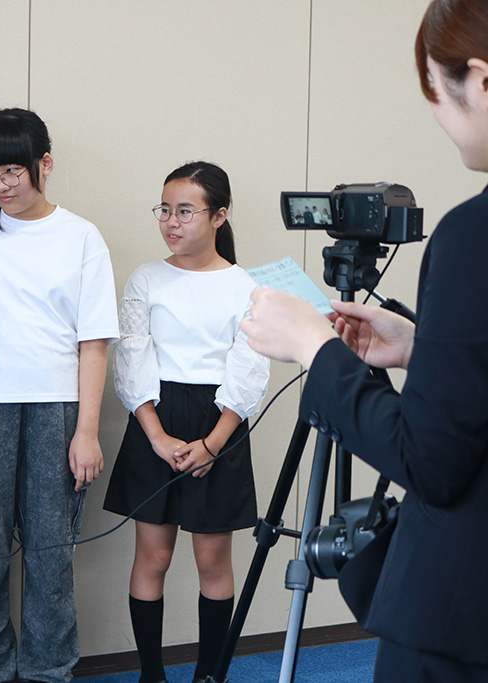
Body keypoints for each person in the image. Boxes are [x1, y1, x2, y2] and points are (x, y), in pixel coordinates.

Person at [241, 1, 488, 679]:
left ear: (480, 79)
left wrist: (314, 349)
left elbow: (431, 463)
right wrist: (423, 346)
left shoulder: (473, 236)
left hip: (461, 620)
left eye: (434, 91)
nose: (436, 114)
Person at [0, 108, 119, 683]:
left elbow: (94, 344)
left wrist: (86, 431)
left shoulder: (81, 236)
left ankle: (49, 670)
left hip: (58, 411)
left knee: (51, 555)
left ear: (45, 163)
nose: (0, 186)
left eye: (12, 172)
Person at [102, 162, 269, 683]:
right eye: (165, 210)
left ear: (219, 216)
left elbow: (249, 369)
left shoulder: (247, 287)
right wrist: (156, 437)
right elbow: (133, 356)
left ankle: (208, 676)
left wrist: (214, 444)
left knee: (213, 562)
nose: (172, 222)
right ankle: (151, 675)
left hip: (220, 422)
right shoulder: (146, 278)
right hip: (154, 417)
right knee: (152, 557)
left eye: (186, 211)